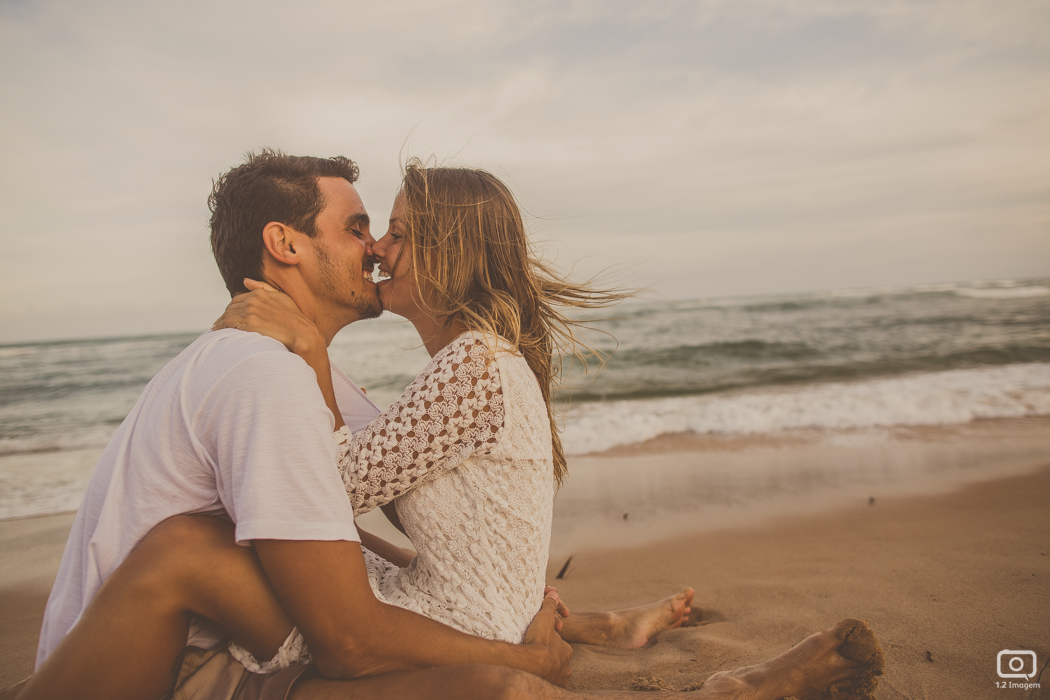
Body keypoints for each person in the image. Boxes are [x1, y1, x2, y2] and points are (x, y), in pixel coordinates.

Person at [12, 152, 884, 700]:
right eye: (362, 229)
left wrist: (310, 350)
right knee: (513, 682)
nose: (379, 249)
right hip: (198, 652)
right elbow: (341, 510)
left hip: (316, 630)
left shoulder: (441, 367)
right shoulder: (271, 374)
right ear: (285, 245)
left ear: (450, 250)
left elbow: (335, 495)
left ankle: (702, 677)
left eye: (391, 231)